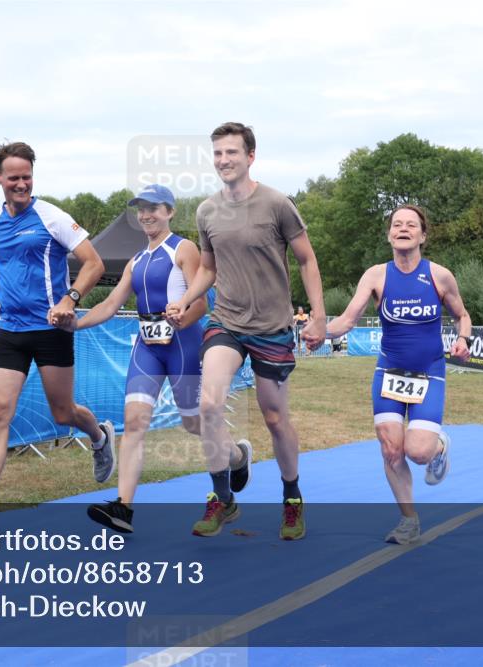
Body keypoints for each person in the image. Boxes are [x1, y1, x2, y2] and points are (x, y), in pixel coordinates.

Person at [165, 122, 326, 541]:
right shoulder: (206, 211)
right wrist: (185, 299)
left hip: (272, 327)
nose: (224, 161)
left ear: (250, 156)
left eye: (231, 153)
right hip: (227, 322)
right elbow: (209, 269)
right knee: (209, 405)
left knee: (274, 417)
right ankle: (223, 498)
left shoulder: (277, 204)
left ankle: (292, 498)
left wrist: (319, 317)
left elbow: (307, 260)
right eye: (218, 154)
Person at [0, 141, 112, 529]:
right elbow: (8, 273)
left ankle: (99, 435)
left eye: (27, 177)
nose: (22, 184)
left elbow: (94, 263)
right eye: (14, 177)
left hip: (51, 328)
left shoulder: (51, 216)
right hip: (10, 331)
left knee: (62, 412)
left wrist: (71, 299)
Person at [327, 204, 472, 545]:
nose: (403, 229)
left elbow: (462, 315)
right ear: (389, 233)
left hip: (429, 372)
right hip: (389, 370)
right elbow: (347, 320)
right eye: (397, 224)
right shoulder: (376, 275)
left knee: (416, 452)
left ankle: (438, 447)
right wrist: (318, 332)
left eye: (411, 225)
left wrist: (463, 338)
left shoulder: (439, 275)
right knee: (391, 449)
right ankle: (409, 520)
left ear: (423, 235)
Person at [66, 184, 206, 533]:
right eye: (141, 209)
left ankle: (235, 456)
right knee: (134, 421)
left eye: (153, 208)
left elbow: (203, 302)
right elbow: (111, 305)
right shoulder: (136, 261)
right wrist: (77, 324)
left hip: (183, 343)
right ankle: (123, 507)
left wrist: (181, 317)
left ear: (170, 211)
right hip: (147, 346)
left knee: (193, 424)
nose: (146, 215)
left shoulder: (183, 248)